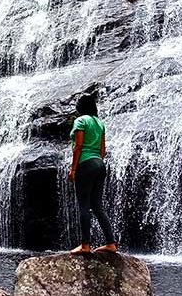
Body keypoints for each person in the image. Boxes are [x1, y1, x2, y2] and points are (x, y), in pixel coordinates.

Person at [68, 94, 117, 254]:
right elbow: (103, 149)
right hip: (99, 164)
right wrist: (97, 162)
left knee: (84, 206)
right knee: (97, 206)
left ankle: (85, 245)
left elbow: (79, 146)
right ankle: (111, 244)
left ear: (81, 107)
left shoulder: (80, 121)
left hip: (85, 163)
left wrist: (74, 169)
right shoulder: (99, 123)